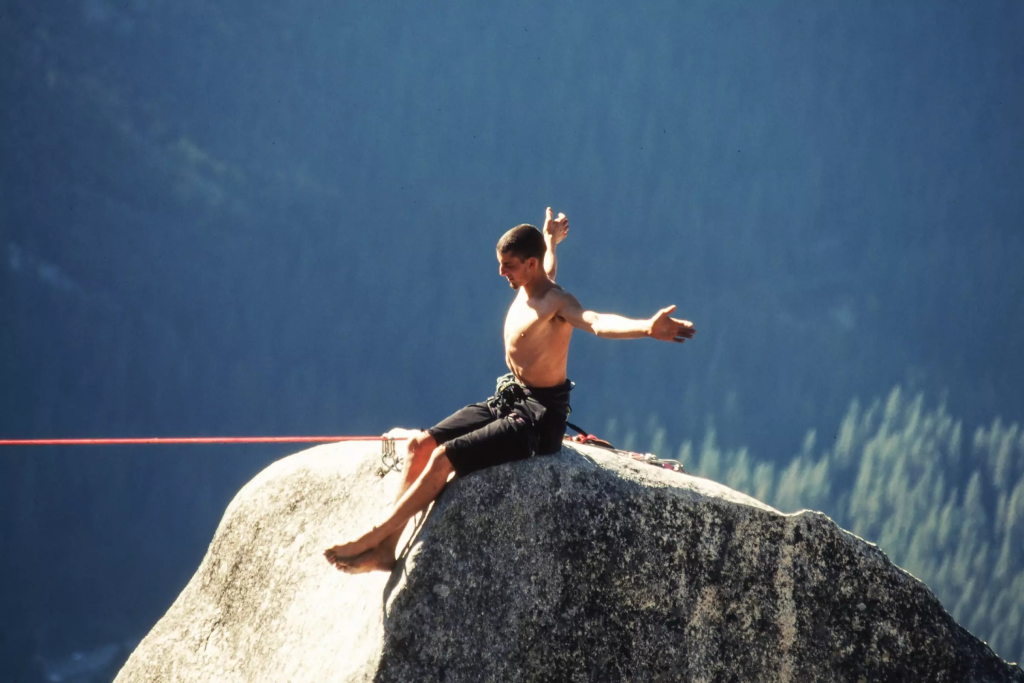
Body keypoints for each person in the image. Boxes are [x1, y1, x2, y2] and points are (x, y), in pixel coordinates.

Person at [324, 208, 696, 573]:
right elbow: (549, 266)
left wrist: (647, 327)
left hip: (538, 419)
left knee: (442, 460)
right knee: (419, 446)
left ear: (530, 264)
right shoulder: (532, 280)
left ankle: (372, 537)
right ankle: (387, 550)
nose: (502, 272)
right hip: (511, 398)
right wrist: (551, 240)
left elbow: (597, 323)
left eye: (510, 265)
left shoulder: (558, 303)